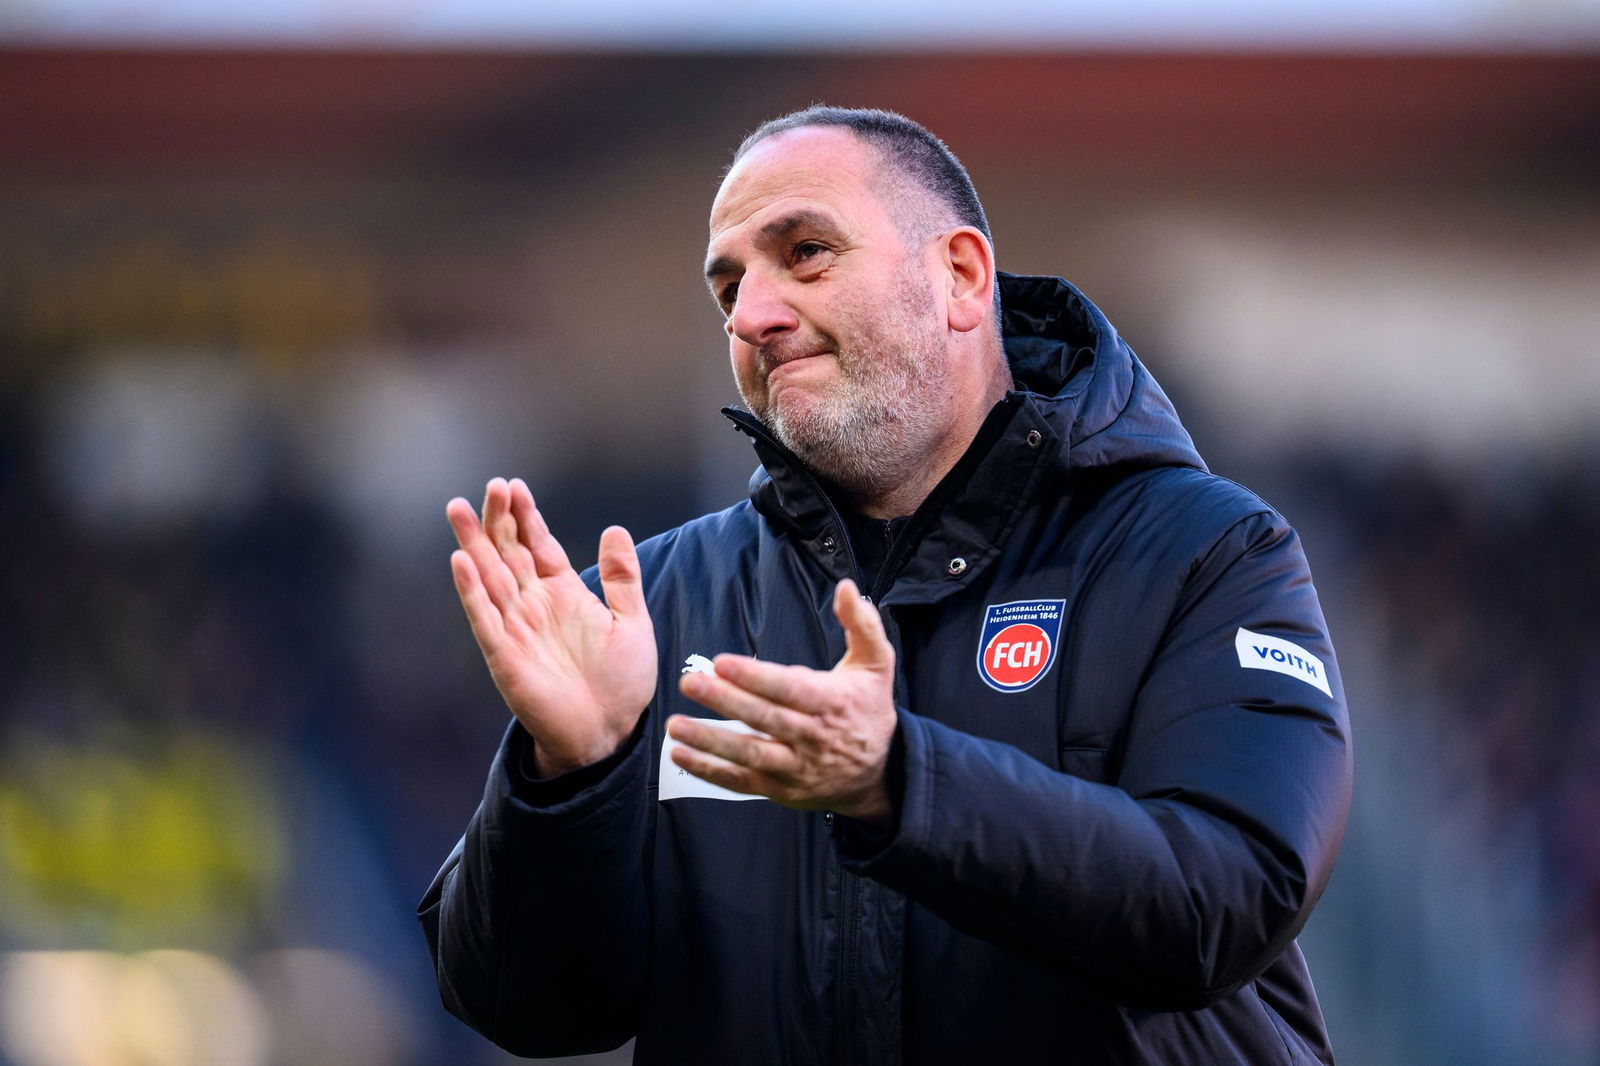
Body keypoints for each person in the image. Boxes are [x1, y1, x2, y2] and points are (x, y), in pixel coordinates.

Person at [419, 106, 1353, 1065]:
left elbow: (1226, 900)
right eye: (729, 286)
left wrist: (902, 784)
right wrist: (571, 777)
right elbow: (529, 1007)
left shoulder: (1202, 551)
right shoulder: (651, 608)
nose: (752, 316)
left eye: (808, 252)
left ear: (959, 277)